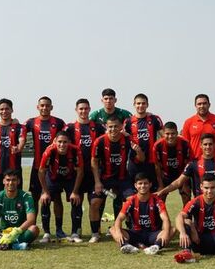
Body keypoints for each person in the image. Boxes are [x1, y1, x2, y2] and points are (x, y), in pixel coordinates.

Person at [90, 115, 144, 243]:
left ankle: (132, 230)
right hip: (104, 178)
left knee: (132, 201)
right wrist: (97, 182)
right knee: (94, 203)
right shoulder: (100, 141)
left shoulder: (127, 139)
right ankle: (95, 233)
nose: (113, 129)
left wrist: (139, 151)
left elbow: (141, 159)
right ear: (106, 127)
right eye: (110, 127)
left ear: (121, 127)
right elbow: (94, 162)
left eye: (116, 126)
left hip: (122, 178)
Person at [64, 98, 105, 242]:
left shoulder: (98, 127)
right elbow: (60, 144)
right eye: (81, 109)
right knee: (76, 201)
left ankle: (95, 233)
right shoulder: (69, 128)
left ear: (89, 109)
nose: (83, 111)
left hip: (94, 172)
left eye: (86, 108)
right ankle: (75, 231)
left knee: (94, 202)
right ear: (76, 110)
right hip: (76, 173)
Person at [0, 169, 40, 250]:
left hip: (19, 232)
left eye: (14, 180)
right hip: (2, 233)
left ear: (18, 181)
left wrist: (17, 231)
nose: (11, 183)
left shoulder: (26, 197)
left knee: (34, 229)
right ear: (3, 181)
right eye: (8, 180)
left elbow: (31, 220)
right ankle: (14, 245)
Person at [24, 96, 66, 221]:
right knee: (35, 197)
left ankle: (58, 229)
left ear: (51, 107)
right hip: (37, 166)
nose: (44, 108)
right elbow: (19, 130)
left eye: (47, 105)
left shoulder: (58, 122)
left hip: (54, 168)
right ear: (38, 107)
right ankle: (32, 225)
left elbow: (66, 136)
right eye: (42, 105)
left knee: (57, 198)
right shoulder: (31, 122)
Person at [157, 133, 215, 200]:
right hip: (200, 206)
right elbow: (178, 182)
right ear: (201, 145)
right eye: (205, 144)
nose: (208, 147)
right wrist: (163, 191)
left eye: (210, 144)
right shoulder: (193, 163)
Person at [38, 131, 84, 243]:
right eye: (59, 142)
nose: (62, 145)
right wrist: (45, 191)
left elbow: (80, 171)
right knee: (45, 200)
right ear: (55, 142)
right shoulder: (49, 151)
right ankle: (48, 233)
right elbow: (41, 171)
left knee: (76, 200)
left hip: (69, 178)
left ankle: (74, 233)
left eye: (64, 142)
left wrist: (75, 191)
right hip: (53, 178)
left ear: (69, 142)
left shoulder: (75, 150)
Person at [109, 172, 171, 255]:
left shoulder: (157, 200)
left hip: (152, 234)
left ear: (150, 184)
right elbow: (119, 219)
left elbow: (165, 219)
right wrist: (119, 233)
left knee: (171, 230)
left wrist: (166, 233)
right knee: (113, 229)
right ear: (135, 185)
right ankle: (126, 246)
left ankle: (156, 246)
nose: (142, 186)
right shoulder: (131, 201)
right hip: (135, 233)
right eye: (140, 183)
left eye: (145, 183)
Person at [0, 98, 26, 194]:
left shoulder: (20, 127)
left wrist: (19, 147)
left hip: (14, 170)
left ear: (12, 110)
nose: (4, 111)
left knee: (16, 200)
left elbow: (22, 140)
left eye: (7, 109)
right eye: (2, 109)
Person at [123, 93, 164, 189]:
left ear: (147, 105)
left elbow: (164, 137)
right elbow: (124, 138)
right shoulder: (128, 121)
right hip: (135, 161)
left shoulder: (154, 119)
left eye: (143, 103)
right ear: (134, 105)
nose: (140, 106)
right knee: (134, 190)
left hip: (151, 161)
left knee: (153, 189)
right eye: (138, 103)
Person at [153, 121, 191, 205]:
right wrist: (160, 184)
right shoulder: (157, 145)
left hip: (181, 175)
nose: (170, 136)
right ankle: (161, 218)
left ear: (177, 133)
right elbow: (157, 166)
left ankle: (186, 217)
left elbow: (188, 164)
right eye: (167, 134)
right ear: (163, 133)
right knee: (160, 198)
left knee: (186, 196)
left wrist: (184, 183)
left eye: (173, 133)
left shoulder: (185, 143)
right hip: (165, 176)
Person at [181, 94, 215, 159]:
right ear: (195, 106)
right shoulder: (188, 122)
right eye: (199, 104)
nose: (202, 106)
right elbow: (184, 144)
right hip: (195, 162)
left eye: (204, 103)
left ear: (209, 105)